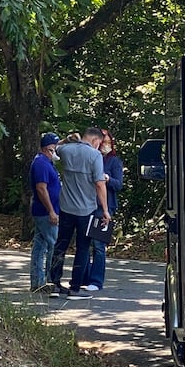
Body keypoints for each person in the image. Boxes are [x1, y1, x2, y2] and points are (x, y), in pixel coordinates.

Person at [48, 127, 111, 300]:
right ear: (95, 141)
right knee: (83, 248)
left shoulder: (67, 149)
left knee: (60, 245)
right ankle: (75, 288)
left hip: (66, 207)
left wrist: (68, 138)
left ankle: (54, 284)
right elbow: (99, 184)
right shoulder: (94, 155)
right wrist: (105, 210)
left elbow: (55, 147)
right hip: (86, 210)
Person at [83, 128, 123, 291]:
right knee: (84, 243)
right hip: (87, 205)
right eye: (102, 142)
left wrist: (107, 179)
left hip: (105, 207)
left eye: (108, 142)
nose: (104, 145)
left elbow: (119, 184)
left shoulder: (114, 162)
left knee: (99, 245)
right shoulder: (91, 158)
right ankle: (83, 278)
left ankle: (96, 281)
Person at [29, 132, 61, 293]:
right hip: (45, 212)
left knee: (40, 246)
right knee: (53, 244)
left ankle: (37, 281)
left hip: (46, 211)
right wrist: (51, 211)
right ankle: (50, 279)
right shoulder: (41, 163)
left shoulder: (47, 162)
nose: (56, 150)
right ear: (48, 148)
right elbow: (41, 188)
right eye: (54, 148)